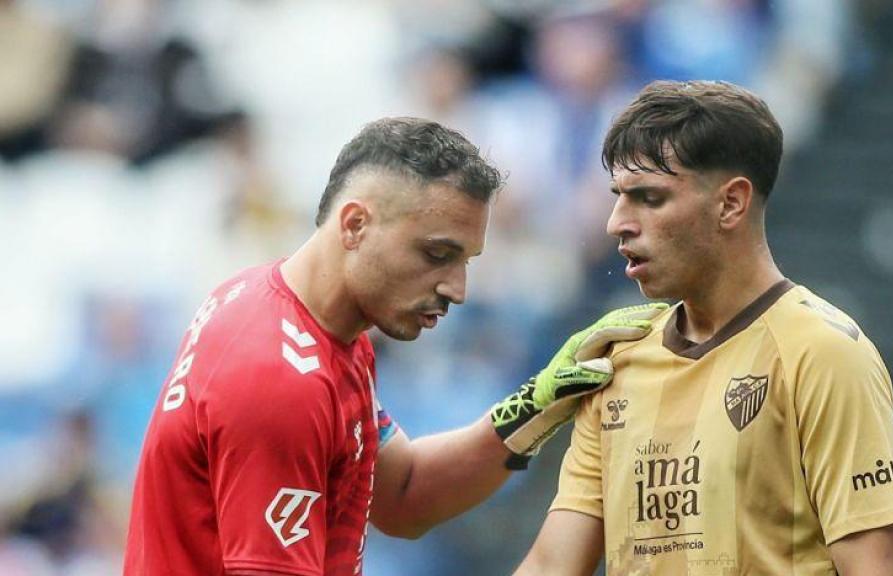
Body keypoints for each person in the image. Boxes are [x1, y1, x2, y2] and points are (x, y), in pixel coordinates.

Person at [123, 117, 666, 575]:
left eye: (465, 262)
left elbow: (403, 494)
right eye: (436, 255)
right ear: (356, 224)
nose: (458, 289)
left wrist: (543, 399)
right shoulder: (278, 379)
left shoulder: (305, 323)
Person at [514, 81, 893, 575]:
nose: (617, 222)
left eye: (649, 198)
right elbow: (553, 565)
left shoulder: (825, 354)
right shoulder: (616, 362)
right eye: (618, 196)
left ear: (731, 203)